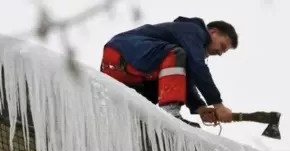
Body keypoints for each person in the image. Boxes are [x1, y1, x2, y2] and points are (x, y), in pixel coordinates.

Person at [100, 16, 238, 126]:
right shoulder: (194, 31)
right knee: (176, 53)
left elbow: (182, 82)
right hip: (122, 52)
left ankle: (132, 117)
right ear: (212, 32)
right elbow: (198, 67)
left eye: (223, 52)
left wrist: (200, 108)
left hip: (120, 68)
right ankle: (170, 113)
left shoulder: (183, 55)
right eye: (222, 46)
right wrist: (218, 105)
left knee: (158, 91)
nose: (220, 53)